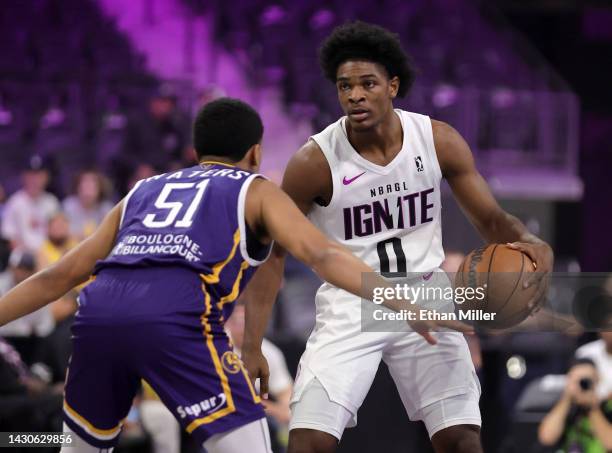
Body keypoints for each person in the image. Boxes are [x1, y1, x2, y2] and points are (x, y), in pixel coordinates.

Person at [0, 98, 467, 453]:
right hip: (175, 320)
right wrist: (401, 300)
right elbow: (321, 253)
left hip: (99, 316)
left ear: (196, 149)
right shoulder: (256, 189)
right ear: (256, 153)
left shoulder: (143, 190)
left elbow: (56, 277)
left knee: (77, 447)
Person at [241, 21, 554, 453]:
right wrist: (253, 344)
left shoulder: (437, 140)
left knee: (462, 439)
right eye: (344, 86)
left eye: (367, 83)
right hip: (353, 301)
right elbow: (272, 254)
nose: (354, 95)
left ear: (393, 85)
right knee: (308, 440)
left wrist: (535, 246)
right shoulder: (313, 161)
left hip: (427, 294)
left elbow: (494, 221)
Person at [538, 358, 612, 452]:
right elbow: (546, 438)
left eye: (586, 380)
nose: (582, 385)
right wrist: (567, 397)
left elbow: (610, 444)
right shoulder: (562, 406)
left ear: (597, 379)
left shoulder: (607, 407)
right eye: (578, 380)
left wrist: (592, 408)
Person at [1, 155, 59, 252]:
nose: (34, 179)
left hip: (49, 256)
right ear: (24, 176)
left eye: (39, 175)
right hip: (23, 258)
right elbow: (10, 238)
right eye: (31, 175)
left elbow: (58, 235)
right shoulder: (15, 202)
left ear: (46, 177)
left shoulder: (52, 202)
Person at [63, 170, 114, 240]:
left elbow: (110, 234)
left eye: (91, 188)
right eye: (84, 187)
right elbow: (62, 232)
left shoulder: (106, 208)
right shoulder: (68, 205)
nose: (87, 192)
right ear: (77, 188)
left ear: (100, 189)